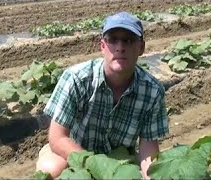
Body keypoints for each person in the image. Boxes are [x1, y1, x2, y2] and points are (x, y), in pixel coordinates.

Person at [36, 12, 169, 179]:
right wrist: (95, 165)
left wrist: (152, 176)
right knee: (52, 170)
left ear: (141, 47)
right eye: (113, 39)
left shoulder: (152, 91)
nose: (120, 47)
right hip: (73, 152)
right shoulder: (77, 79)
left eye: (128, 40)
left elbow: (148, 150)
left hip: (119, 159)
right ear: (102, 46)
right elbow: (57, 138)